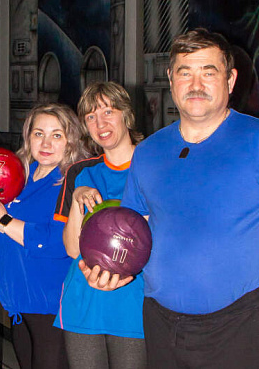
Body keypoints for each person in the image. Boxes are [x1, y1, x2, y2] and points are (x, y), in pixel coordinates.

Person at [119, 28, 259, 369]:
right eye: (185, 72)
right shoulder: (148, 152)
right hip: (159, 320)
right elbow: (135, 232)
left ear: (230, 80)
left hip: (236, 323)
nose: (196, 84)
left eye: (208, 72)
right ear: (171, 80)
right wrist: (110, 267)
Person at [0, 103, 89, 369]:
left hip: (52, 305)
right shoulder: (19, 177)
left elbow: (57, 242)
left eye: (56, 135)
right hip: (18, 303)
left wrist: (3, 218)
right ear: (28, 137)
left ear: (71, 139)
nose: (46, 143)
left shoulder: (74, 182)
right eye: (38, 134)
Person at [52, 82, 147, 369]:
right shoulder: (81, 172)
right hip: (84, 300)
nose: (100, 123)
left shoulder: (152, 164)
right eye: (91, 117)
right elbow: (72, 249)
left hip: (134, 299)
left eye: (108, 112)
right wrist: (77, 199)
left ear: (126, 114)